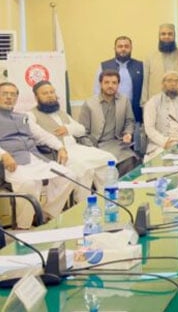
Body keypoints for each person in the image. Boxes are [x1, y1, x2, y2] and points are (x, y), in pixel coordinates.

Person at [0, 82, 74, 229]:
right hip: (12, 164)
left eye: (13, 94)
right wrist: (3, 154)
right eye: (4, 94)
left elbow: (43, 136)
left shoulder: (23, 117)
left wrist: (60, 147)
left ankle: (45, 215)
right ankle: (23, 227)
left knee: (68, 176)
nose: (9, 97)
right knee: (30, 184)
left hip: (36, 159)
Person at [27, 81, 113, 202]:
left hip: (76, 147)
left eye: (52, 92)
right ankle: (83, 205)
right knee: (85, 169)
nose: (50, 95)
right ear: (36, 97)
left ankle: (107, 199)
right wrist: (59, 146)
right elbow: (39, 136)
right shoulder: (31, 115)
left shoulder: (61, 112)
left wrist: (67, 129)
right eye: (45, 93)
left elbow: (81, 130)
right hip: (57, 153)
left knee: (108, 159)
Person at [79, 70, 140, 176]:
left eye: (114, 83)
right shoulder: (89, 103)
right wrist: (91, 149)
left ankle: (124, 190)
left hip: (117, 144)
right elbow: (82, 131)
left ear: (118, 85)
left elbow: (130, 121)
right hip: (96, 145)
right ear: (101, 84)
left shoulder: (124, 101)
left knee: (131, 161)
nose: (110, 86)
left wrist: (128, 133)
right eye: (106, 82)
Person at [143, 71, 178, 161]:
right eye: (169, 80)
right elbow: (149, 128)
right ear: (163, 83)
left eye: (176, 81)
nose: (173, 84)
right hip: (160, 145)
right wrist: (164, 142)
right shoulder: (153, 102)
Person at [94, 35, 144, 123]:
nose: (123, 49)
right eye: (120, 46)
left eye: (126, 46)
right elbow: (97, 91)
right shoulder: (104, 66)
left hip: (135, 115)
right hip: (109, 115)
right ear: (115, 48)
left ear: (131, 48)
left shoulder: (140, 66)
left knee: (132, 136)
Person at [141, 23, 178, 106]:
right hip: (156, 102)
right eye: (163, 34)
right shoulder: (150, 57)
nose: (166, 37)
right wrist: (144, 103)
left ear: (174, 36)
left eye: (170, 34)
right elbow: (145, 82)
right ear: (159, 36)